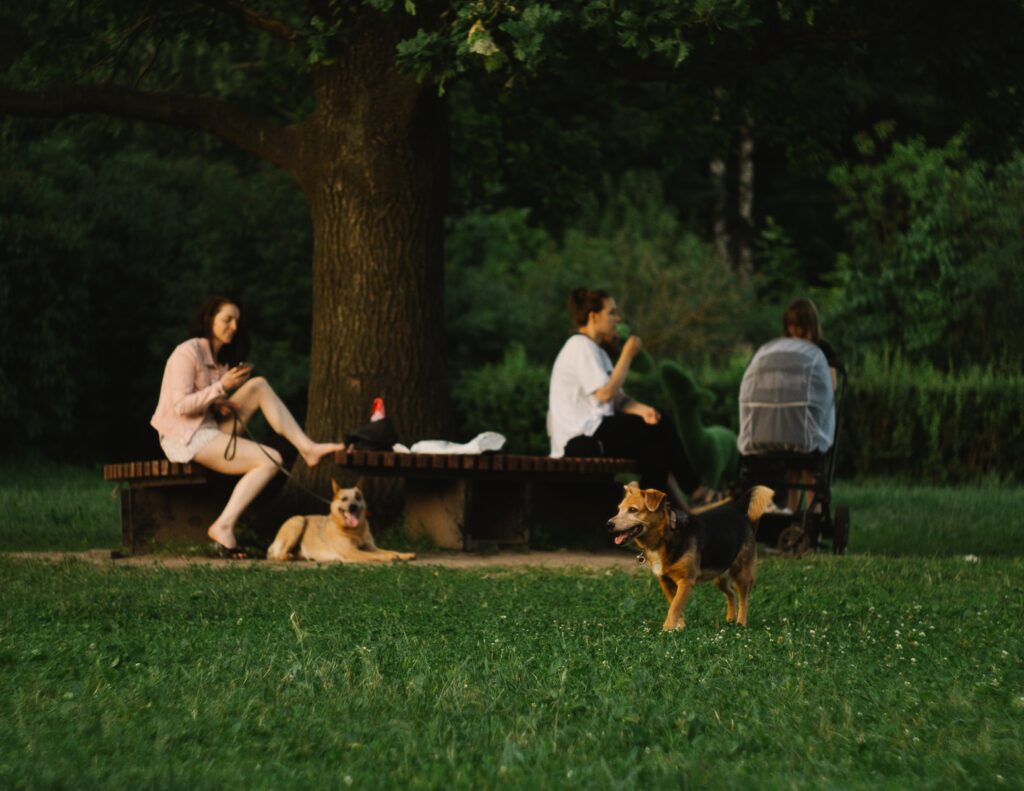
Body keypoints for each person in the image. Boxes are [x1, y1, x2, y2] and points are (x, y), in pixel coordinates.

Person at [150, 296, 346, 557]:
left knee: (258, 386)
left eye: (236, 321)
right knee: (271, 459)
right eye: (227, 319)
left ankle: (307, 447)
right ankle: (224, 525)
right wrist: (222, 387)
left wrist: (220, 403)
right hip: (184, 437)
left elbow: (202, 400)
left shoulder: (219, 361)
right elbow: (180, 407)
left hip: (208, 429)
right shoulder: (187, 353)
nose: (233, 326)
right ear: (209, 320)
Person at [547, 287, 714, 505]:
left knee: (656, 447)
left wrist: (643, 410)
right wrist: (627, 354)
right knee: (660, 429)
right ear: (593, 316)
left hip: (596, 430)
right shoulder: (580, 347)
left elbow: (617, 399)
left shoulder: (596, 351)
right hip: (579, 439)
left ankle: (649, 512)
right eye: (612, 313)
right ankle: (693, 489)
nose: (617, 318)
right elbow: (605, 394)